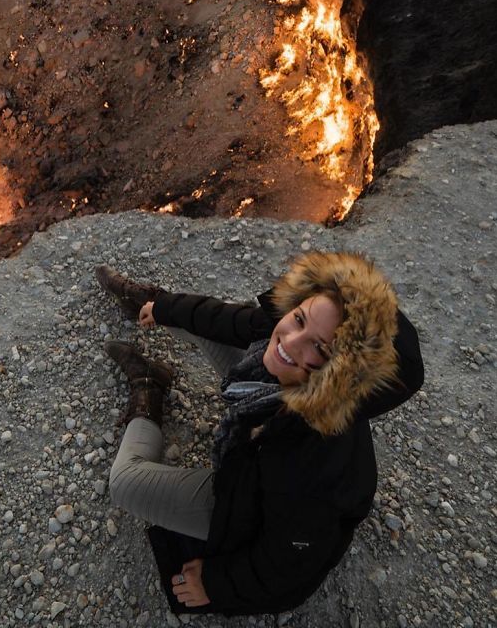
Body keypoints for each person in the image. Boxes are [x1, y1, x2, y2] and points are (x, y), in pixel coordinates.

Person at [95, 251, 424, 616]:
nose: (291, 341)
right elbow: (229, 320)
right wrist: (165, 307)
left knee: (124, 484)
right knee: (210, 326)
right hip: (269, 424)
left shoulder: (312, 468)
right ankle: (145, 301)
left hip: (245, 505)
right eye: (298, 318)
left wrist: (216, 584)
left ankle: (149, 386)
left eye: (320, 347)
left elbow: (288, 564)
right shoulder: (290, 342)